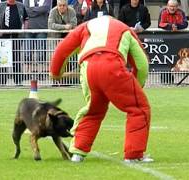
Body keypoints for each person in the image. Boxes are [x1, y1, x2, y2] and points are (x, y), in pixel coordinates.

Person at [50, 16, 152, 163]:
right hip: (113, 65)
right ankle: (134, 154)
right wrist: (137, 85)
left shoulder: (84, 26)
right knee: (139, 108)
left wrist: (55, 73)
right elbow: (141, 63)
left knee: (93, 111)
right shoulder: (125, 29)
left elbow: (62, 49)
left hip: (88, 69)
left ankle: (78, 152)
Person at [0, 0, 28, 86]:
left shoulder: (21, 6)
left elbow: (26, 19)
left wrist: (24, 30)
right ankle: (2, 81)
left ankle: (18, 81)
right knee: (3, 59)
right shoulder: (1, 5)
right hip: (4, 37)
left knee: (16, 58)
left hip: (17, 37)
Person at [24, 0, 52, 80]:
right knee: (27, 51)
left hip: (42, 28)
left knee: (41, 52)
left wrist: (33, 9)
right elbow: (26, 10)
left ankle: (40, 73)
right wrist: (38, 10)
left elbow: (45, 8)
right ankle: (27, 73)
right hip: (29, 28)